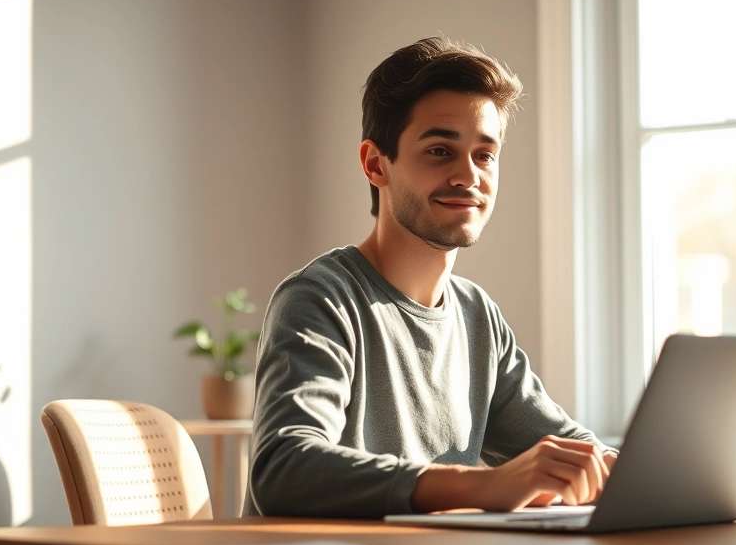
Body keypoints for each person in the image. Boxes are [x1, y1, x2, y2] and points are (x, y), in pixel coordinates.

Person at [243, 37, 616, 519]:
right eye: (440, 150)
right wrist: (480, 487)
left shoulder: (476, 316)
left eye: (485, 155)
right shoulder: (319, 299)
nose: (468, 175)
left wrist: (632, 473)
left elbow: (567, 449)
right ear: (376, 164)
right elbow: (283, 469)